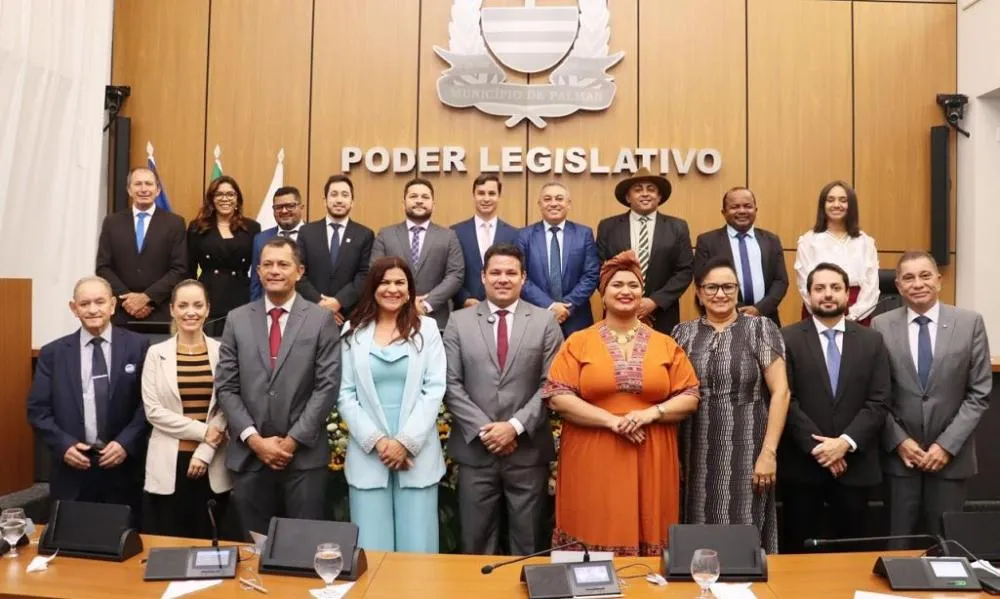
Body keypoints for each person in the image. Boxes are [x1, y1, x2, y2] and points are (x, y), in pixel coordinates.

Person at [542, 251, 700, 556]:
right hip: (592, 453)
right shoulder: (578, 341)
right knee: (592, 523)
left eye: (633, 285)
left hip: (651, 453)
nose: (625, 291)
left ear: (642, 293)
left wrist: (652, 413)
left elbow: (690, 396)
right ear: (603, 293)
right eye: (617, 285)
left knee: (650, 526)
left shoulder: (665, 343)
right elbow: (558, 396)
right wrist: (612, 421)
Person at [215, 236, 340, 538]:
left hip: (304, 458)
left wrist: (292, 441)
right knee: (254, 549)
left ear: (299, 271)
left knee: (302, 548)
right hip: (250, 457)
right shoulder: (237, 319)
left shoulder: (321, 320)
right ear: (258, 272)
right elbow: (226, 387)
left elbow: (327, 386)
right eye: (267, 265)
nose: (274, 271)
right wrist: (255, 440)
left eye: (283, 264)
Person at [443, 244, 563, 555]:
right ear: (483, 276)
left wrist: (514, 427)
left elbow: (552, 384)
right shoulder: (458, 321)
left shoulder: (545, 322)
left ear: (524, 278)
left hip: (527, 451)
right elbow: (450, 383)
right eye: (495, 272)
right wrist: (487, 431)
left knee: (529, 544)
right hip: (475, 452)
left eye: (511, 272)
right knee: (475, 543)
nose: (503, 279)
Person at [671, 257, 789, 554]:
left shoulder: (760, 328)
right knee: (696, 525)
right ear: (699, 293)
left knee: (744, 527)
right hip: (694, 449)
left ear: (738, 291)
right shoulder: (682, 333)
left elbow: (781, 393)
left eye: (728, 287)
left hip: (748, 447)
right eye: (711, 287)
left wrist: (769, 453)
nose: (720, 294)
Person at [872, 251, 991, 544]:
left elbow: (979, 393)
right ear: (898, 286)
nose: (917, 284)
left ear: (938, 280)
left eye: (925, 276)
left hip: (951, 459)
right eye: (908, 278)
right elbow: (876, 394)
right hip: (901, 460)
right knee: (898, 546)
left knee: (947, 547)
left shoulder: (970, 323)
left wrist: (945, 446)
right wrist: (899, 441)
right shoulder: (881, 325)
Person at [337, 257, 446, 552]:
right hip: (369, 454)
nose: (392, 289)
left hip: (416, 454)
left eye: (400, 282)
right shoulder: (352, 330)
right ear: (372, 287)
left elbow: (434, 388)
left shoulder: (428, 329)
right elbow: (344, 393)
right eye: (384, 282)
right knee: (372, 550)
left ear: (410, 290)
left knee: (418, 551)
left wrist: (404, 442)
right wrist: (379, 442)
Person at [779, 263, 889, 553]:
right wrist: (821, 449)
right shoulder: (786, 338)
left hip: (855, 466)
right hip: (803, 467)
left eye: (835, 288)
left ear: (847, 294)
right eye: (820, 288)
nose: (828, 294)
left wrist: (844, 444)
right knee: (798, 554)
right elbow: (785, 399)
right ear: (808, 295)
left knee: (852, 554)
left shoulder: (872, 340)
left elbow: (879, 401)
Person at [26, 276, 149, 513]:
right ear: (74, 309)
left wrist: (125, 443)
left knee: (123, 535)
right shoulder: (53, 353)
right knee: (72, 535)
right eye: (84, 304)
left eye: (99, 302)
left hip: (123, 469)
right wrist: (63, 445)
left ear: (112, 305)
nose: (93, 309)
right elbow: (37, 410)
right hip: (72, 470)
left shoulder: (139, 346)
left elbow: (148, 405)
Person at [141, 279, 231, 539]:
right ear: (172, 309)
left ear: (207, 309)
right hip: (168, 463)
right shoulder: (156, 353)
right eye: (183, 305)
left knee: (210, 545)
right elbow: (153, 411)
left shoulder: (223, 351)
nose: (190, 312)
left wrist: (205, 450)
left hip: (212, 462)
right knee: (168, 545)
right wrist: (203, 432)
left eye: (197, 305)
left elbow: (228, 404)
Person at [597, 168, 693, 335]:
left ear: (659, 197)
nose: (645, 194)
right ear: (628, 197)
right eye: (638, 189)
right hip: (618, 311)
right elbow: (599, 268)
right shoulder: (608, 227)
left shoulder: (677, 227)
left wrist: (655, 301)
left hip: (662, 315)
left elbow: (685, 270)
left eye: (651, 189)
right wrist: (623, 299)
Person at [96, 166, 187, 328]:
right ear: (129, 190)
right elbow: (103, 267)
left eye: (149, 184)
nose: (144, 189)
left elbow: (179, 269)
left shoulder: (175, 223)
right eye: (138, 184)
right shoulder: (112, 222)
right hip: (121, 313)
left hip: (160, 312)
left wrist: (147, 298)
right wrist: (128, 300)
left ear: (158, 190)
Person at [370, 177, 464, 331]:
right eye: (413, 196)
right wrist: (405, 300)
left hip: (436, 320)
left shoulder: (448, 236)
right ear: (403, 203)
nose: (419, 201)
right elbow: (375, 273)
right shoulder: (385, 235)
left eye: (425, 197)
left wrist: (426, 304)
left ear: (433, 204)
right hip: (392, 318)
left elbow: (455, 275)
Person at [694, 187, 788, 326]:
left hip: (766, 318)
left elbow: (780, 281)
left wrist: (759, 309)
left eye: (747, 206)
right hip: (724, 320)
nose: (742, 211)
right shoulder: (707, 241)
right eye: (735, 207)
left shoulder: (771, 240)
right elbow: (702, 282)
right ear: (724, 212)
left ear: (755, 209)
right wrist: (735, 311)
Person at [517, 182, 600, 338]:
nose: (553, 203)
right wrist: (550, 306)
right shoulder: (524, 236)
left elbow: (591, 275)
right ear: (539, 204)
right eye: (547, 199)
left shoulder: (584, 234)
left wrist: (566, 307)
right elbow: (520, 277)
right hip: (535, 317)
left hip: (576, 318)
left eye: (559, 198)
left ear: (568, 204)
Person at [794, 181, 879, 325]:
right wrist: (825, 314)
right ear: (823, 205)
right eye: (830, 200)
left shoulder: (865, 241)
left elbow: (871, 286)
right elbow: (805, 286)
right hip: (819, 311)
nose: (836, 205)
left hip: (859, 313)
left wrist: (853, 316)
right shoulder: (808, 241)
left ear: (851, 205)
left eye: (843, 200)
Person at [187, 176, 261, 336]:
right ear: (211, 199)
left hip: (241, 297)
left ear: (237, 199)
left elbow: (258, 267)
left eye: (230, 194)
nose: (225, 199)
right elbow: (189, 269)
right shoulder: (197, 227)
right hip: (208, 297)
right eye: (219, 194)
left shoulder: (252, 227)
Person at [296, 175, 374, 324]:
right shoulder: (306, 232)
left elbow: (364, 275)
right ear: (325, 200)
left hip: (348, 316)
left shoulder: (364, 234)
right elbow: (298, 273)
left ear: (352, 202)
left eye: (345, 195)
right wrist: (321, 304)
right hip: (310, 314)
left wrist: (339, 302)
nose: (339, 200)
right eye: (334, 194)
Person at [451, 173, 520, 309]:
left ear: (499, 196)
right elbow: (451, 272)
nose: (486, 198)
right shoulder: (455, 232)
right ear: (474, 195)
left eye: (492, 193)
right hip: (465, 309)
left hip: (503, 308)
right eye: (481, 193)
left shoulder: (514, 234)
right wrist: (464, 299)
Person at [250, 186, 305, 301]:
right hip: (270, 307)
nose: (284, 211)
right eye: (278, 207)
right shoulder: (260, 239)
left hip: (307, 307)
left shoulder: (314, 235)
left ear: (301, 207)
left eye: (290, 206)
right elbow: (256, 282)